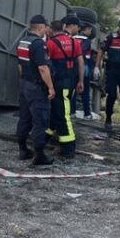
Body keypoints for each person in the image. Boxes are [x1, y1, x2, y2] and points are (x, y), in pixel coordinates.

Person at [16, 15, 55, 165]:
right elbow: (43, 68)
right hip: (37, 87)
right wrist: (50, 87)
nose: (47, 29)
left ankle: (22, 149)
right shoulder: (39, 44)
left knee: (24, 118)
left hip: (25, 83)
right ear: (40, 27)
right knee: (41, 120)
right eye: (46, 27)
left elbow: (20, 64)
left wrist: (25, 79)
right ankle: (39, 155)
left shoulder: (23, 42)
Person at [46, 20, 83, 158]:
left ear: (51, 30)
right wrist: (81, 81)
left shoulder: (50, 44)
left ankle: (68, 148)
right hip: (71, 82)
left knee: (64, 115)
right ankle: (45, 137)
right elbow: (80, 62)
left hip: (59, 83)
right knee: (56, 112)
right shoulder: (74, 42)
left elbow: (45, 66)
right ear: (63, 27)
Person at [72, 22, 96, 120]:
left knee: (73, 90)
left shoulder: (72, 38)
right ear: (87, 29)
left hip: (72, 67)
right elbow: (82, 51)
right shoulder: (87, 40)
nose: (91, 32)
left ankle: (72, 112)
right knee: (85, 91)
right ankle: (87, 114)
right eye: (90, 30)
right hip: (84, 67)